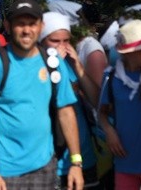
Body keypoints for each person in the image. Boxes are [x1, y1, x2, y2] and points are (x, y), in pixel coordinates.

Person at [0, 0, 83, 190]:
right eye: (20, 24)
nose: (26, 30)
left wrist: (76, 162)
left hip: (45, 167)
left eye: (32, 24)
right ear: (7, 25)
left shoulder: (53, 62)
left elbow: (66, 112)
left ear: (41, 26)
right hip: (4, 171)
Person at [39, 12, 100, 189]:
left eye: (66, 41)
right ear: (42, 40)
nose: (62, 46)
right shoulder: (38, 66)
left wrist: (78, 68)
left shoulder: (70, 63)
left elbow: (97, 100)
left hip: (83, 156)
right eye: (55, 41)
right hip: (51, 162)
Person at [99, 19, 141, 190]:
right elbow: (102, 112)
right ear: (128, 52)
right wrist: (109, 131)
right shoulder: (112, 78)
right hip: (124, 162)